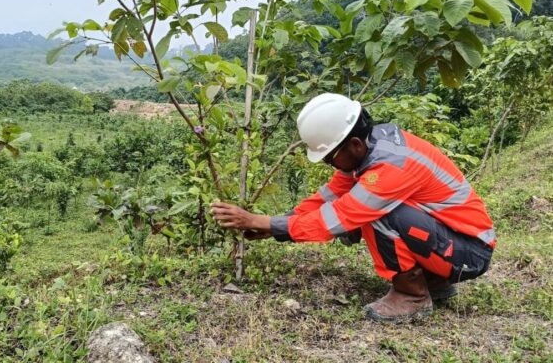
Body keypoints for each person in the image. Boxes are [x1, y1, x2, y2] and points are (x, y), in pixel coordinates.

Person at [211, 93, 495, 322]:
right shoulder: (372, 148)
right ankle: (435, 282)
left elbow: (338, 218)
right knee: (368, 209)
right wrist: (276, 225)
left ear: (355, 145)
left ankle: (413, 296)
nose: (329, 165)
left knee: (379, 214)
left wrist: (267, 222)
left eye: (329, 158)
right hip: (452, 241)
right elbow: (329, 197)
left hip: (469, 253)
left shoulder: (390, 167)